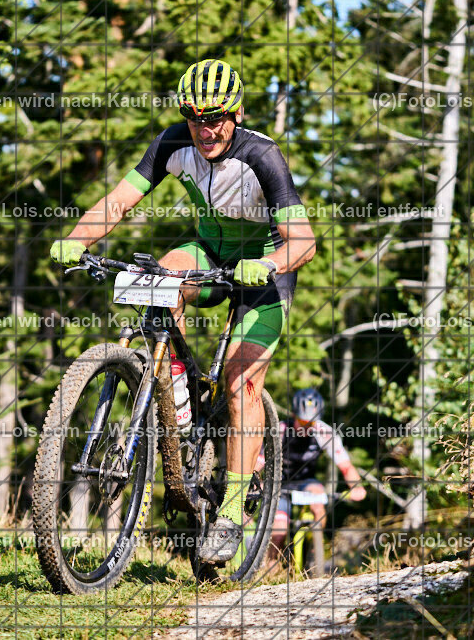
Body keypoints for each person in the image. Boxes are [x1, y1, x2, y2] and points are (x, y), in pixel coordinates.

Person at [50, 59, 316, 563]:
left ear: (235, 114)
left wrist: (270, 262)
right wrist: (75, 239)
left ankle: (233, 512)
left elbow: (304, 241)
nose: (206, 129)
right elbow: (117, 201)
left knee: (242, 383)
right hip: (211, 255)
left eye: (216, 117)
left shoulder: (263, 155)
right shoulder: (174, 143)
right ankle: (180, 398)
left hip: (265, 272)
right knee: (159, 280)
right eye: (195, 117)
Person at [268, 388, 366, 561]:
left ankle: (315, 552)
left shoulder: (324, 432)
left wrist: (356, 487)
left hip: (307, 481)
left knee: (319, 502)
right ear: (293, 415)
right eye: (303, 421)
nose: (307, 426)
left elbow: (346, 466)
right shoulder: (280, 430)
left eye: (311, 422)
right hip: (279, 484)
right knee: (279, 532)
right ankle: (270, 570)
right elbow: (260, 461)